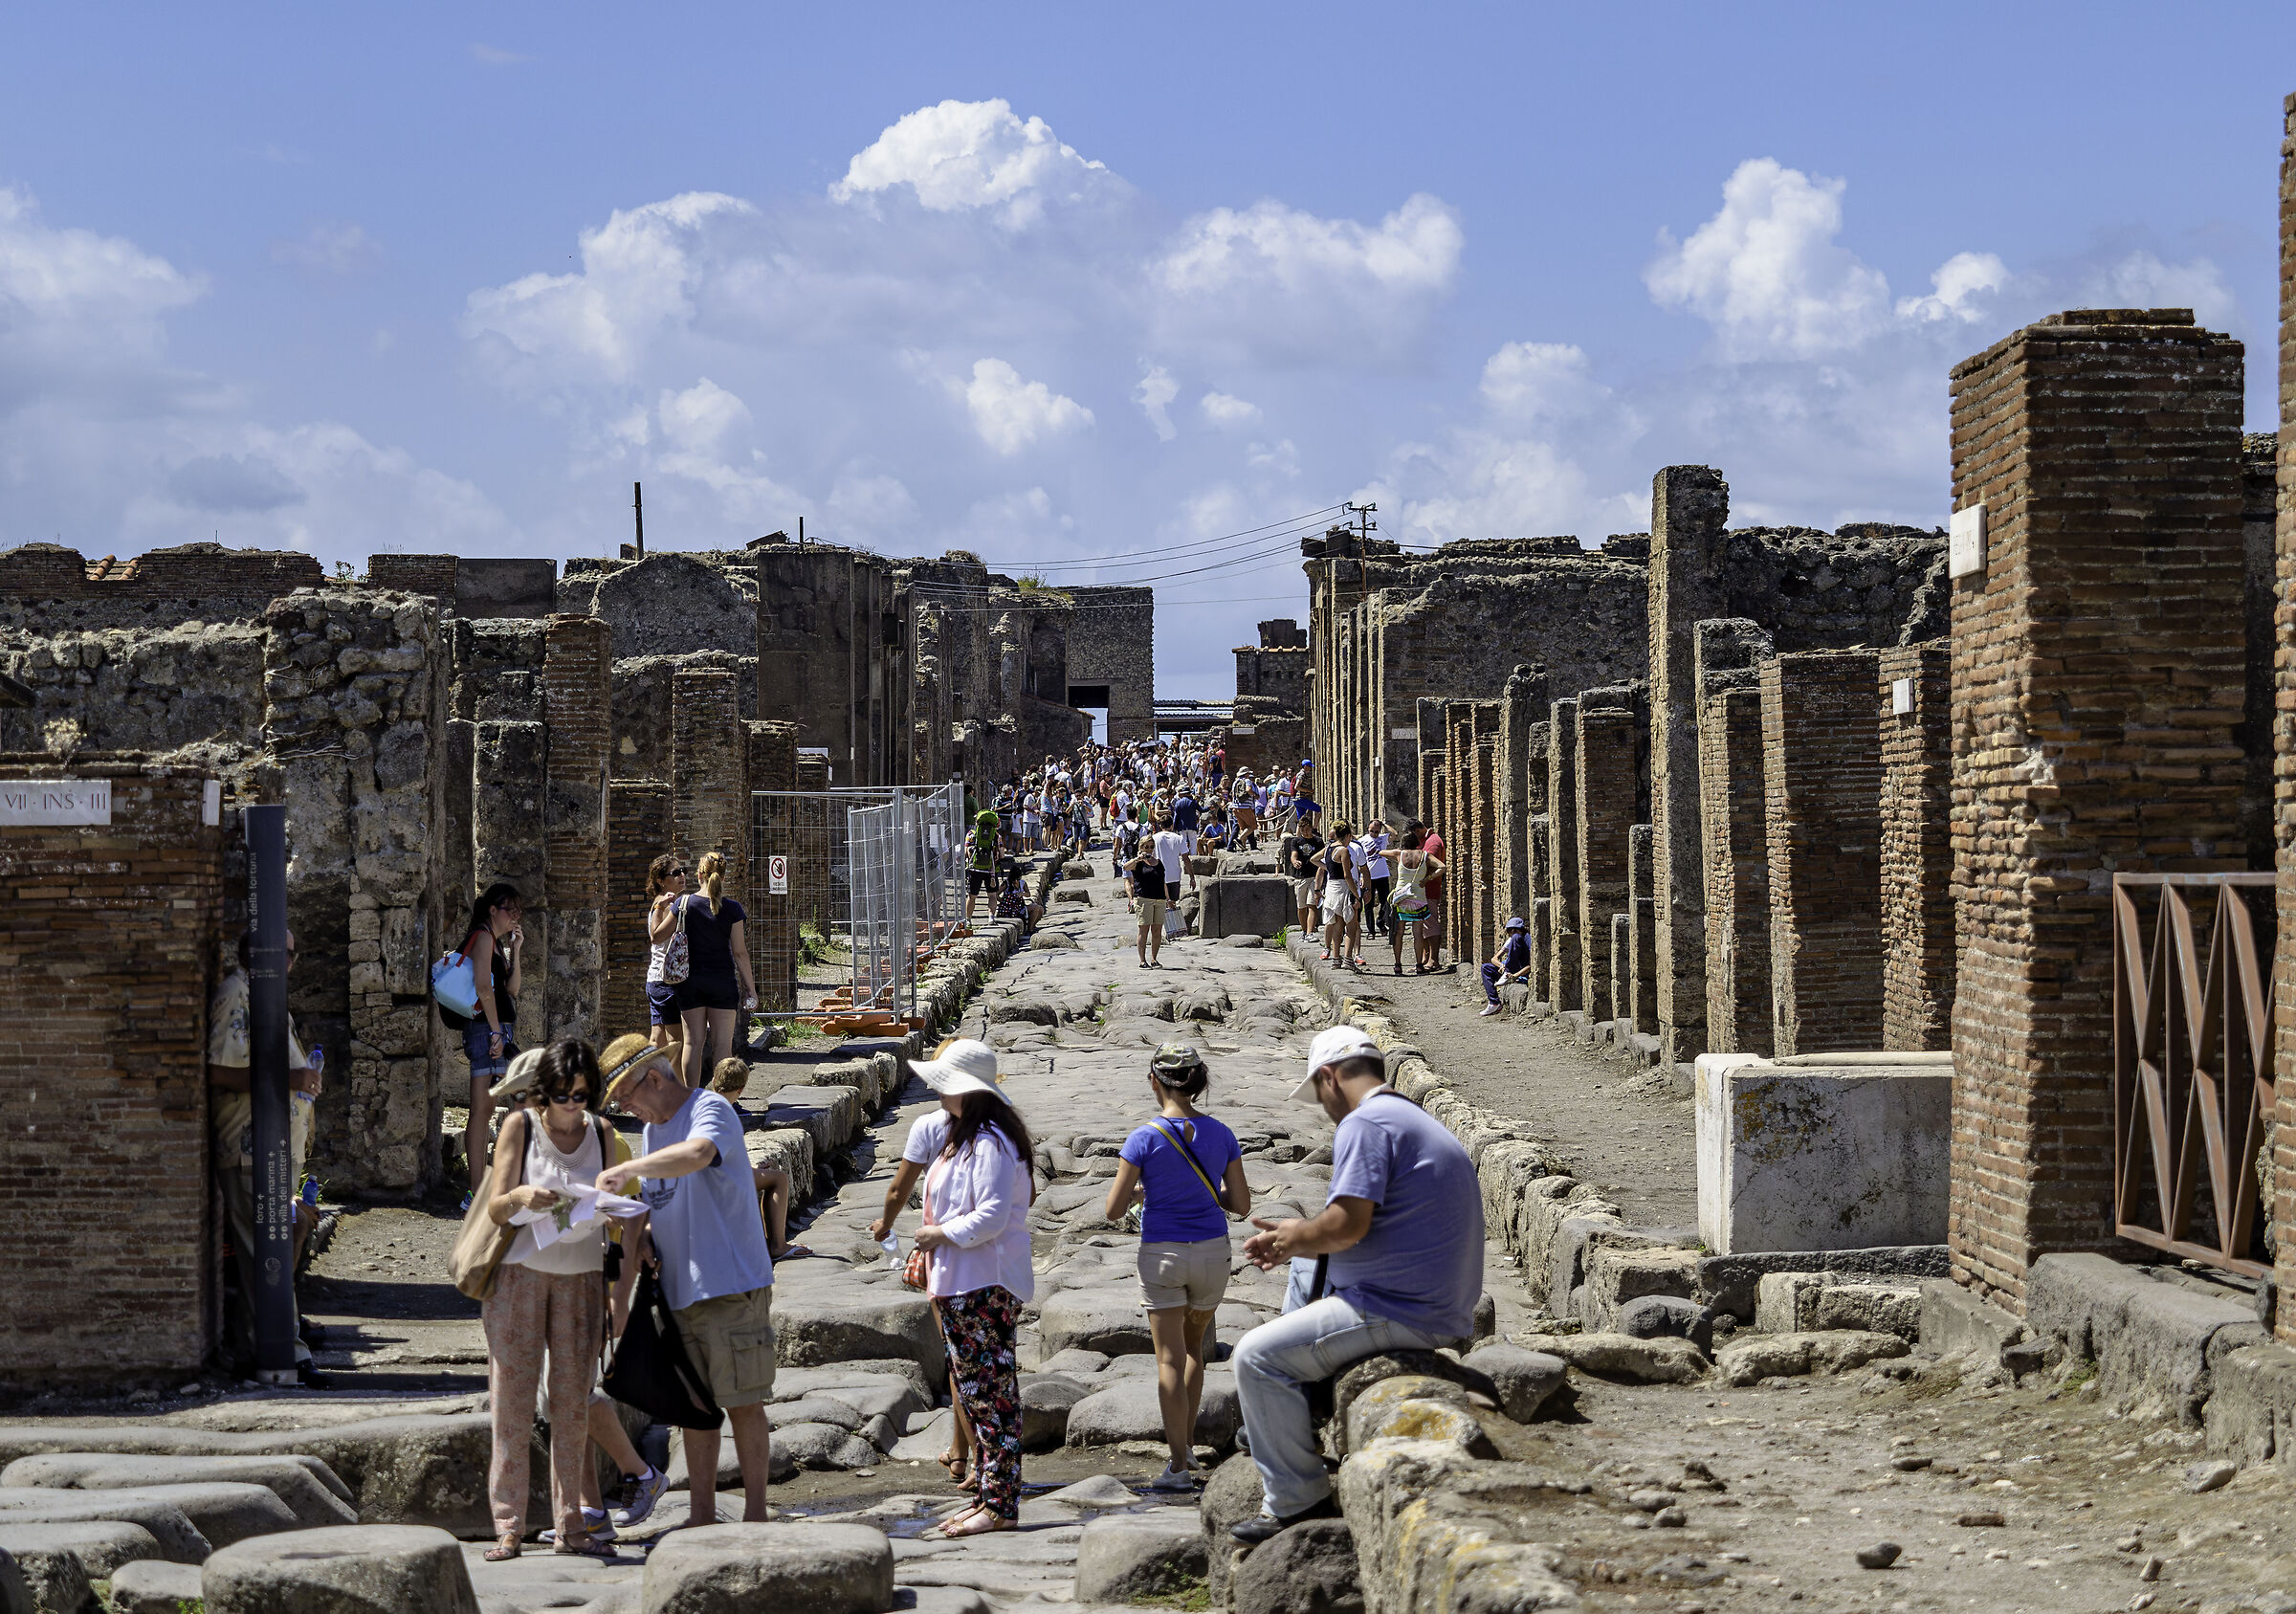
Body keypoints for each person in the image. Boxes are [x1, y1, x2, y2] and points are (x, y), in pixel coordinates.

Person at [1229, 1027, 1485, 1544]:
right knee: (1305, 1268)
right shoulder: (1409, 1117)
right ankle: (1304, 1398)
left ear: (1328, 1077)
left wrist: (1295, 1234)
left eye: (1319, 1094)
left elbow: (1346, 1225)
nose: (1324, 1107)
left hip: (1401, 1309)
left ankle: (1296, 1498)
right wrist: (1298, 1243)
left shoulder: (1364, 1124)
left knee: (1255, 1357)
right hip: (1435, 1297)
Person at [597, 1033, 777, 1529]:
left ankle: (757, 1516)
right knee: (692, 1411)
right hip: (680, 1292)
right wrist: (650, 1236)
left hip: (728, 1283)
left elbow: (698, 1155)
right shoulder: (654, 1131)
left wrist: (627, 1168)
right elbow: (667, 1202)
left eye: (625, 1098)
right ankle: (701, 1516)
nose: (626, 1110)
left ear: (653, 1079)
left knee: (743, 1402)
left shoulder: (709, 1108)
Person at [477, 1040, 629, 1561]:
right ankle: (508, 1526)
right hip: (520, 1275)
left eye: (581, 1096)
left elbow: (613, 1209)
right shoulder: (520, 1126)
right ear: (543, 1093)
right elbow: (498, 1208)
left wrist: (612, 1212)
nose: (571, 1106)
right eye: (562, 1095)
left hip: (581, 1279)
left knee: (572, 1406)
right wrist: (523, 1197)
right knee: (512, 1402)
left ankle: (573, 1525)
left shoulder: (603, 1134)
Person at [1103, 1044, 1251, 1492]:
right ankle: (1185, 1445)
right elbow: (1241, 1204)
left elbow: (1112, 1210)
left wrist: (1142, 1195)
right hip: (1211, 1254)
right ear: (1199, 1083)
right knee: (1193, 1352)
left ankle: (1179, 1465)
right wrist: (1208, 1197)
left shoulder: (1143, 1138)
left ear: (1155, 1081)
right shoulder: (1221, 1133)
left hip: (1163, 1253)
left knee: (1167, 1358)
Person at [902, 1041, 1036, 1537]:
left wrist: (939, 1235)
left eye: (943, 1083)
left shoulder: (992, 1142)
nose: (935, 1089)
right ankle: (989, 1496)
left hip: (985, 1283)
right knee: (979, 1394)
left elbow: (993, 1217)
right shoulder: (969, 1136)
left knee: (993, 1395)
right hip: (962, 1282)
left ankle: (1000, 1505)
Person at [207, 928, 324, 1383]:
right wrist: (292, 1079)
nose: (292, 964)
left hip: (272, 1151)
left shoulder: (262, 995)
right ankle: (286, 1357)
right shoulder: (236, 993)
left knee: (267, 1250)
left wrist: (303, 1078)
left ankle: (250, 1351)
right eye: (287, 955)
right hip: (249, 1149)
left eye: (294, 956)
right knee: (264, 1252)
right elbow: (220, 1070)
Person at [462, 883, 526, 1196]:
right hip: (487, 1030)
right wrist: (495, 1031)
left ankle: (497, 1180)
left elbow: (511, 989)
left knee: (521, 1095)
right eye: (510, 909)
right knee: (483, 1109)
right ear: (492, 910)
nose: (515, 915)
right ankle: (476, 1189)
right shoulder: (484, 937)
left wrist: (516, 949)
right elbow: (482, 988)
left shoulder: (497, 943)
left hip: (498, 1028)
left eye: (518, 910)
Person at [673, 851, 757, 1090]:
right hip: (722, 982)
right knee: (723, 1046)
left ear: (700, 875)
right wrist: (751, 989)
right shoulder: (732, 909)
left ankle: (691, 1101)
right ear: (723, 876)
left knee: (692, 1044)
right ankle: (722, 1101)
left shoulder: (684, 904)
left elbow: (658, 935)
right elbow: (740, 952)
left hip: (690, 982)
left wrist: (661, 907)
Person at [1386, 829, 1445, 975]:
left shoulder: (1399, 854)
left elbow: (1380, 853)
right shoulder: (1425, 855)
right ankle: (1419, 965)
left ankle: (1398, 965)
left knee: (1398, 932)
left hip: (1401, 899)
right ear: (1417, 843)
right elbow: (1442, 867)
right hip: (1419, 899)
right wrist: (1427, 879)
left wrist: (1397, 851)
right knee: (1417, 933)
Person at [643, 855, 687, 1050]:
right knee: (676, 1041)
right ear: (661, 880)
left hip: (656, 978)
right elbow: (655, 936)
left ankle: (651, 1078)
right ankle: (675, 1080)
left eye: (682, 870)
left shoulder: (665, 901)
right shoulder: (665, 903)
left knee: (657, 1039)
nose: (682, 875)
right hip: (666, 980)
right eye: (675, 873)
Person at [1316, 822, 1360, 970]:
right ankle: (1348, 959)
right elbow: (1348, 876)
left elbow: (1313, 859)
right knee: (1351, 925)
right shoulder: (1344, 851)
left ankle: (1336, 959)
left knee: (1337, 924)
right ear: (1347, 836)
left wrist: (1328, 868)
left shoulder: (1329, 848)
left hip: (1331, 888)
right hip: (1343, 888)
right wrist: (1357, 895)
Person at [1129, 835, 1171, 967]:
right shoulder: (1138, 863)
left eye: (1151, 847)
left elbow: (1163, 882)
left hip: (1159, 899)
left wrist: (1168, 898)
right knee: (1143, 930)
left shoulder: (1158, 862)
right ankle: (1142, 960)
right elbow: (1125, 867)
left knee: (1157, 930)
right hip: (1144, 899)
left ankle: (1154, 959)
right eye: (1146, 847)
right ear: (1141, 847)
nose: (1149, 850)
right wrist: (1137, 858)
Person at [1480, 915, 1534, 1017]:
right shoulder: (1511, 939)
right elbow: (1494, 959)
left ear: (1522, 930)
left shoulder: (1527, 940)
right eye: (1511, 932)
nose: (1513, 934)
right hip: (1507, 972)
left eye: (1516, 931)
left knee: (1516, 939)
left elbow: (1530, 965)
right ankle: (1494, 1003)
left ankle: (1507, 974)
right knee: (1485, 968)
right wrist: (1502, 966)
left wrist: (1516, 975)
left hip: (1520, 971)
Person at [1281, 815, 1324, 938]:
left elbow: (1322, 858)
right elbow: (1293, 854)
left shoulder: (1318, 841)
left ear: (1311, 828)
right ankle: (1304, 930)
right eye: (1303, 829)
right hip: (1300, 878)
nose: (1305, 832)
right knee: (1301, 907)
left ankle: (1310, 932)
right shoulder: (1296, 841)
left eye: (1307, 829)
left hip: (1314, 877)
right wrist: (1294, 861)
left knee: (1312, 905)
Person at [1414, 819, 1447, 970]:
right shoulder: (1426, 840)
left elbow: (1429, 864)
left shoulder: (1432, 842)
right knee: (1424, 926)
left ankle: (1433, 960)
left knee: (1431, 924)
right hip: (1423, 890)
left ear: (1417, 831)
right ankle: (1425, 959)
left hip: (1429, 889)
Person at [1358, 825, 1392, 940]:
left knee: (1386, 902)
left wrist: (1384, 824)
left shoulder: (1383, 838)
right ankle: (1371, 931)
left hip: (1382, 874)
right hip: (1368, 877)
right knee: (1368, 904)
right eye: (1372, 831)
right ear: (1368, 830)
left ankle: (1380, 922)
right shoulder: (1362, 841)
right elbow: (1359, 860)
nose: (1374, 834)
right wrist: (1362, 875)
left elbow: (1395, 834)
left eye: (1376, 831)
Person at [966, 809, 1001, 922]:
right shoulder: (996, 836)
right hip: (991, 869)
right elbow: (1002, 854)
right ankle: (991, 918)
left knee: (972, 896)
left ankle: (968, 920)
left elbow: (967, 851)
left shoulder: (971, 834)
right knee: (992, 895)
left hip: (975, 869)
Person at [1153, 813, 1190, 913]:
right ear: (1172, 825)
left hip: (1159, 876)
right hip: (1174, 875)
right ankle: (1172, 925)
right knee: (1172, 903)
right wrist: (1192, 877)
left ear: (1160, 826)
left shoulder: (1154, 838)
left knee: (1161, 903)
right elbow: (1186, 858)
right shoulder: (1179, 838)